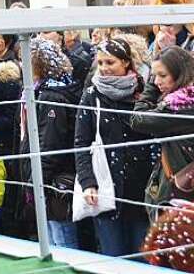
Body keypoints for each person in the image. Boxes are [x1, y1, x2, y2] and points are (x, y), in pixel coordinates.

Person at [75, 38, 159, 257]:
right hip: (105, 186)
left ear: (125, 62)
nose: (104, 68)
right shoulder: (92, 95)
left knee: (143, 257)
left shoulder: (144, 91)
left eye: (110, 62)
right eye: (100, 62)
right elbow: (81, 142)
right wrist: (88, 182)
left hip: (141, 188)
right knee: (113, 257)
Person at [21, 37, 83, 249]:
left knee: (62, 241)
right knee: (52, 237)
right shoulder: (43, 91)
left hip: (53, 180)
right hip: (46, 176)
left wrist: (36, 179)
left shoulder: (51, 97)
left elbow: (50, 143)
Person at [132, 46, 194, 218]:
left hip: (179, 194)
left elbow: (137, 120)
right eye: (154, 75)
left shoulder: (181, 106)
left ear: (180, 74)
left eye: (162, 75)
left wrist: (150, 86)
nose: (158, 81)